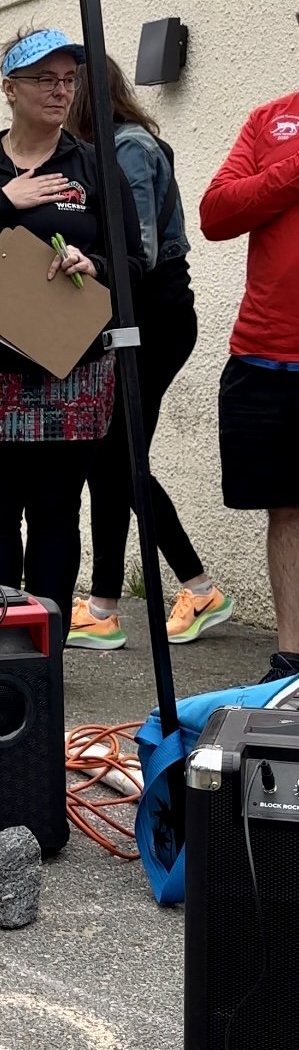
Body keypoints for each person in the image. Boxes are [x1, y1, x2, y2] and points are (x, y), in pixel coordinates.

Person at [0, 29, 144, 632]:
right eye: (44, 79)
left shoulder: (94, 166)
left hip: (69, 370)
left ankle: (48, 647)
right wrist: (3, 201)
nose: (60, 91)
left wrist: (95, 266)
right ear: (9, 88)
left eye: (68, 79)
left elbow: (135, 264)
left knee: (57, 516)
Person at [66, 56, 232, 650]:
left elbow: (137, 249)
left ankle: (198, 588)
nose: (58, 97)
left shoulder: (129, 147)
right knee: (110, 460)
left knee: (120, 458)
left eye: (67, 85)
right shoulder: (107, 147)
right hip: (128, 318)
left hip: (153, 319)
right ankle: (105, 607)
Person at [200, 75, 299, 683]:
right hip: (264, 359)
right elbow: (216, 214)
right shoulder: (270, 121)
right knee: (286, 513)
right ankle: (291, 660)